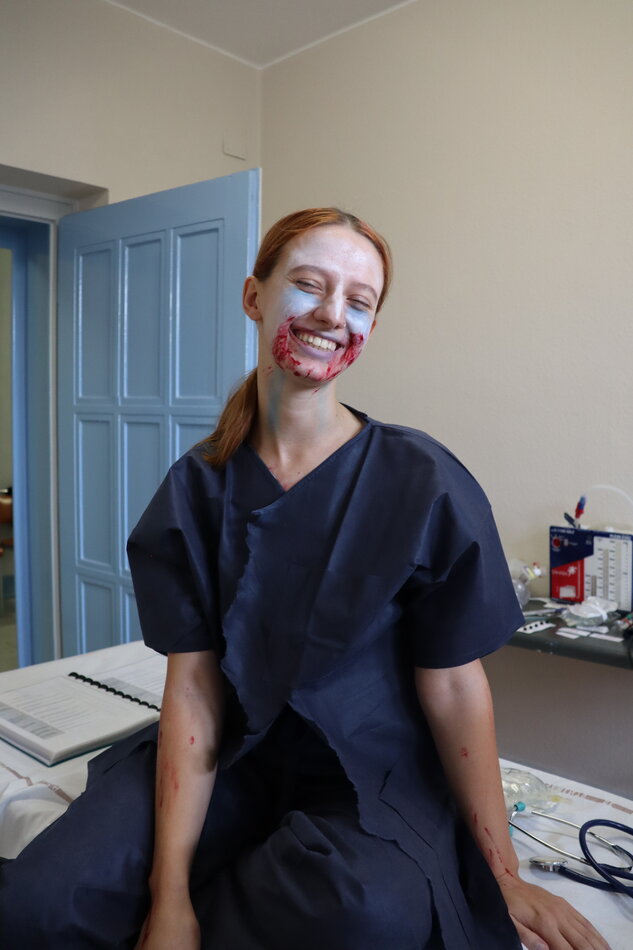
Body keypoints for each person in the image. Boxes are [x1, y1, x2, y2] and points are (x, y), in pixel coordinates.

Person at [0, 209, 610, 950]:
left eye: (358, 301)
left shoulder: (421, 479)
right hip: (226, 756)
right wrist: (169, 897)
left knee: (362, 912)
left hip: (367, 772)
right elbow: (193, 690)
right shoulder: (196, 488)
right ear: (254, 296)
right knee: (42, 902)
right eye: (310, 286)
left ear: (371, 326)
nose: (331, 313)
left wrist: (502, 873)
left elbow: (454, 686)